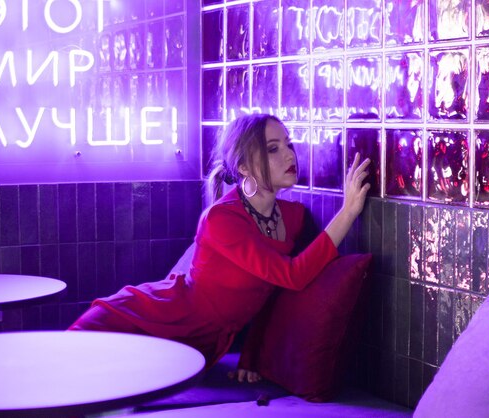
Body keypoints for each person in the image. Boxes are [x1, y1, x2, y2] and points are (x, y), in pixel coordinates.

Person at [69, 114, 371, 383]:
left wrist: (252, 355)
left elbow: (277, 291)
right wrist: (348, 211)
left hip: (196, 346)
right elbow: (292, 275)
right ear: (243, 167)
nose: (289, 154)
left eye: (288, 144)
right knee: (63, 384)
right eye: (272, 149)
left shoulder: (293, 218)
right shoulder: (221, 219)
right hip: (147, 322)